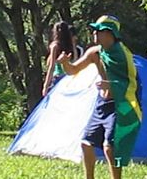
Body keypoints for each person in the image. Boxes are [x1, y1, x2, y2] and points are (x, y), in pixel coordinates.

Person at [57, 15, 142, 179]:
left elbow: (132, 83)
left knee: (110, 147)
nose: (94, 33)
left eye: (99, 30)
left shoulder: (122, 55)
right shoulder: (94, 52)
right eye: (94, 29)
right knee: (86, 144)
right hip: (102, 104)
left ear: (111, 33)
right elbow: (73, 70)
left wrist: (112, 85)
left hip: (120, 104)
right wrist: (65, 63)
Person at [42, 21, 74, 97]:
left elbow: (51, 67)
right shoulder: (70, 46)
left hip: (58, 77)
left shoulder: (55, 46)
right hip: (69, 77)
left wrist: (45, 86)